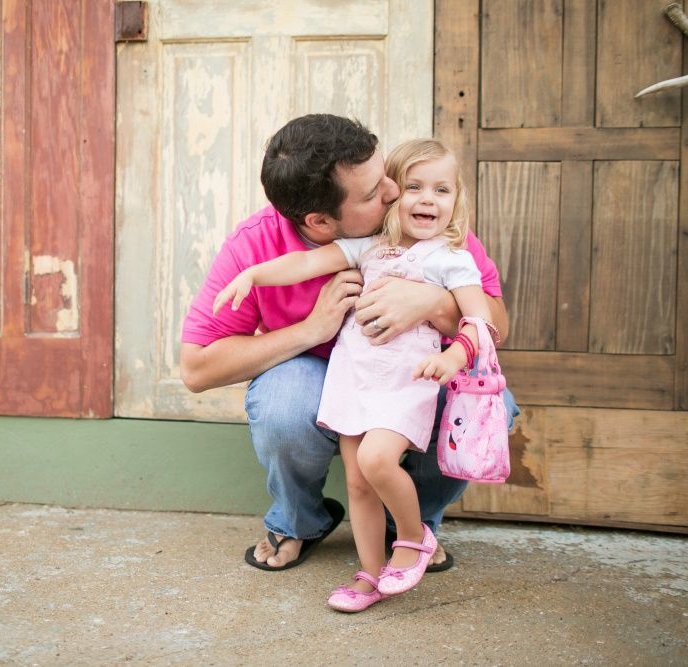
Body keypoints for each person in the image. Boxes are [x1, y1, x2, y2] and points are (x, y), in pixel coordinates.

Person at [179, 114, 516, 575]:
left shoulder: (428, 230)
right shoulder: (255, 244)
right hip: (327, 376)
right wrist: (312, 330)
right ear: (320, 220)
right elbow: (197, 369)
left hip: (411, 373)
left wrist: (434, 304)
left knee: (489, 405)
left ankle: (412, 526)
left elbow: (496, 324)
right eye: (375, 192)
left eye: (387, 178)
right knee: (282, 402)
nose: (396, 193)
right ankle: (301, 520)